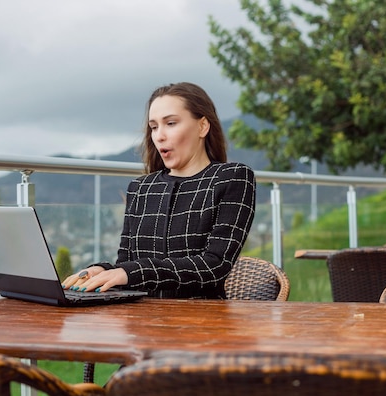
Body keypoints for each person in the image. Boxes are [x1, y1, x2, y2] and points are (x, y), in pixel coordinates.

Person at [62, 82, 256, 299]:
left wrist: (130, 272)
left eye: (171, 123)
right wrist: (105, 271)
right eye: (154, 127)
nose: (159, 136)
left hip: (202, 320)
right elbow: (128, 264)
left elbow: (214, 265)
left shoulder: (232, 178)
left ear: (202, 126)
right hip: (141, 321)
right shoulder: (141, 188)